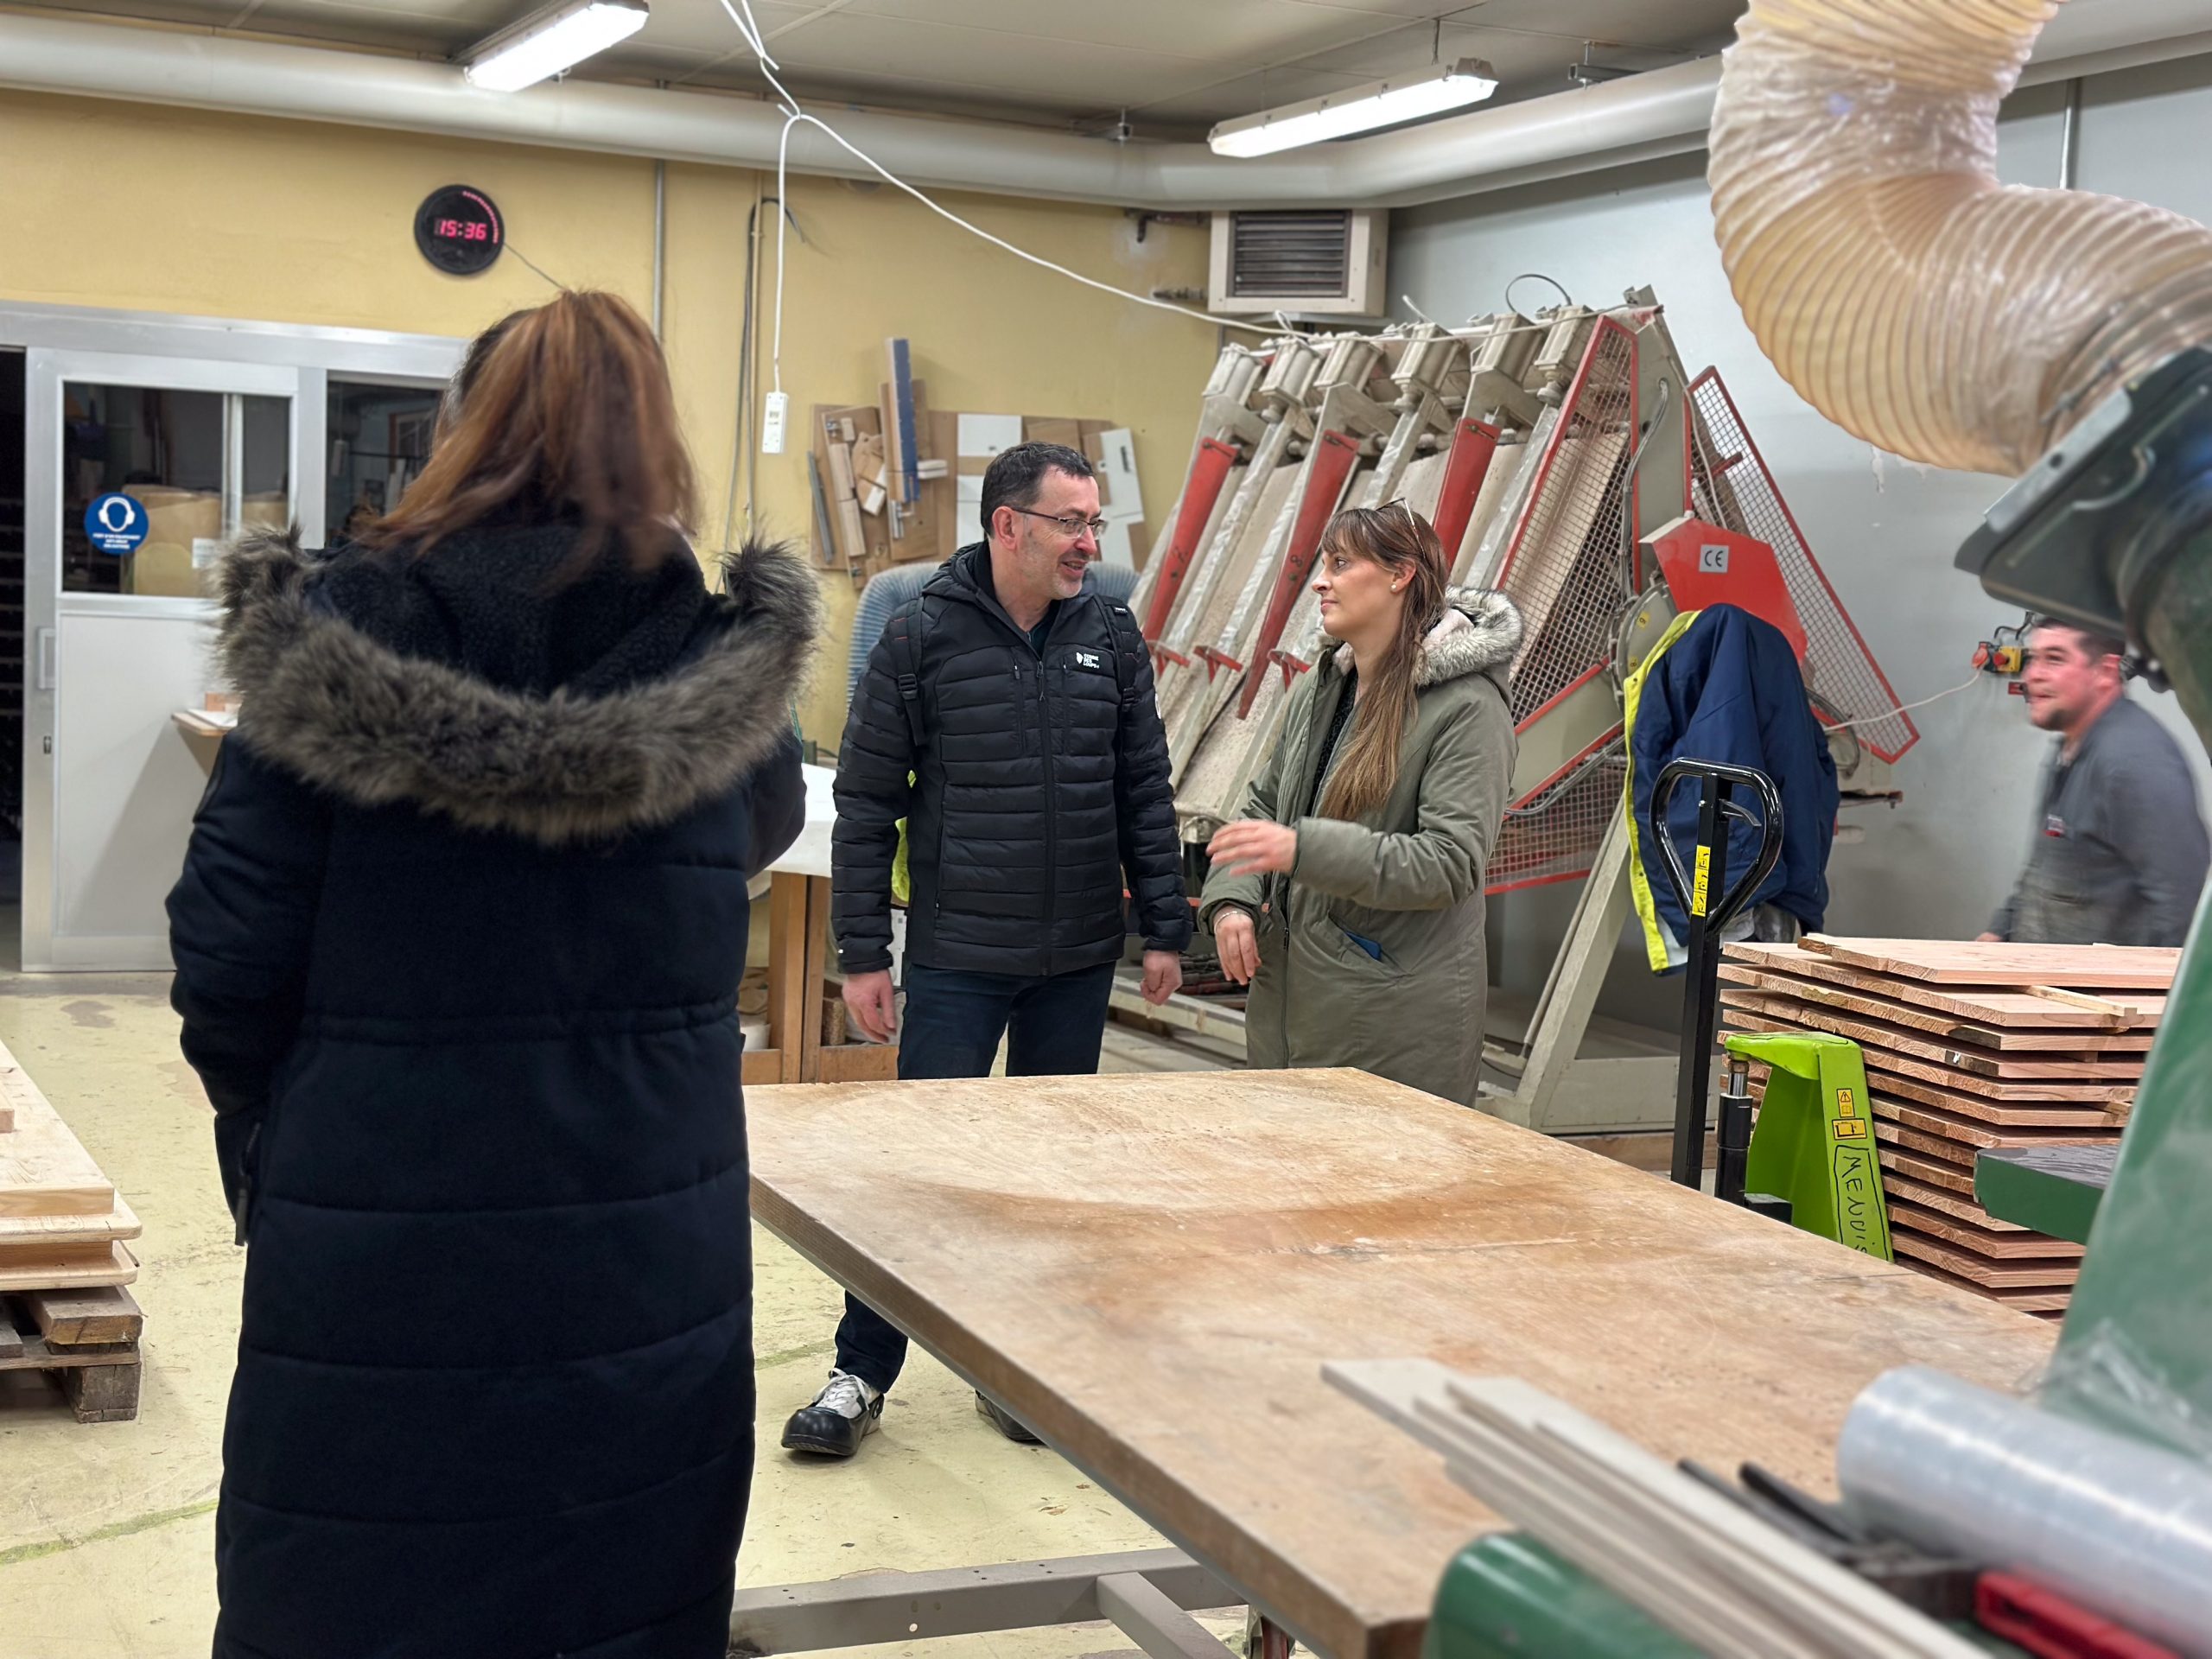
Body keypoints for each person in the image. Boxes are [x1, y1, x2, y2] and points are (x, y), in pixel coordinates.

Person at [167, 290, 817, 1659]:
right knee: (619, 1586)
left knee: (361, 1586)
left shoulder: (332, 638)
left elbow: (227, 957)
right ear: (657, 446)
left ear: (461, 429)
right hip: (644, 1248)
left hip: (380, 1231)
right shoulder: (725, 669)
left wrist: (277, 1134)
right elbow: (756, 838)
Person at [783, 441, 1188, 1459]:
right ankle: (859, 1376)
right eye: (1071, 524)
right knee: (919, 1177)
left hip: (1078, 955)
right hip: (960, 955)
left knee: (1049, 1184)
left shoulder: (1111, 635)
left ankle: (1017, 1374)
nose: (1090, 544)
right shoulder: (920, 634)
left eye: (1096, 523)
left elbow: (1144, 788)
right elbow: (868, 801)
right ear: (1007, 525)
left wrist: (1168, 931)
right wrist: (863, 952)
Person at [1198, 503, 1522, 1106]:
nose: (1320, 581)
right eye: (1323, 565)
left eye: (1341, 564)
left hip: (1389, 1024)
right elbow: (1263, 806)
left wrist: (1304, 850)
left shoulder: (1467, 709)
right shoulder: (1324, 687)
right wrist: (1233, 903)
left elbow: (1449, 864)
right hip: (1292, 1005)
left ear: (1400, 575)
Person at [1980, 618, 2209, 947]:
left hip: (2100, 994)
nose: (2033, 675)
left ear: (2105, 672)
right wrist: (1999, 932)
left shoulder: (2133, 763)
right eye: (2032, 658)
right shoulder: (2071, 747)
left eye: (2055, 659)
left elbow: (2183, 904)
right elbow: (2046, 866)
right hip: (2047, 983)